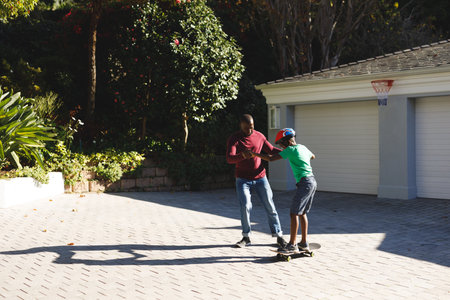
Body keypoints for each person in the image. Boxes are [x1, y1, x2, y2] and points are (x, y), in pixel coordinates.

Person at [251, 128, 316, 253]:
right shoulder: (302, 147)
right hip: (312, 181)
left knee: (294, 213)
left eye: (280, 143)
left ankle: (292, 244)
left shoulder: (290, 150)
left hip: (304, 183)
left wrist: (254, 154)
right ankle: (303, 243)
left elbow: (270, 158)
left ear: (286, 142)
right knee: (302, 213)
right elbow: (313, 156)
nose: (280, 146)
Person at [226, 114, 287, 248]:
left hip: (260, 178)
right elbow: (230, 158)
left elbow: (270, 150)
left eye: (252, 127)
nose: (250, 130)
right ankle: (246, 237)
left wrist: (288, 151)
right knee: (245, 206)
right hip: (242, 180)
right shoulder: (235, 139)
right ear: (241, 126)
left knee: (270, 206)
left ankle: (279, 236)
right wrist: (242, 156)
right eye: (247, 128)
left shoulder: (259, 136)